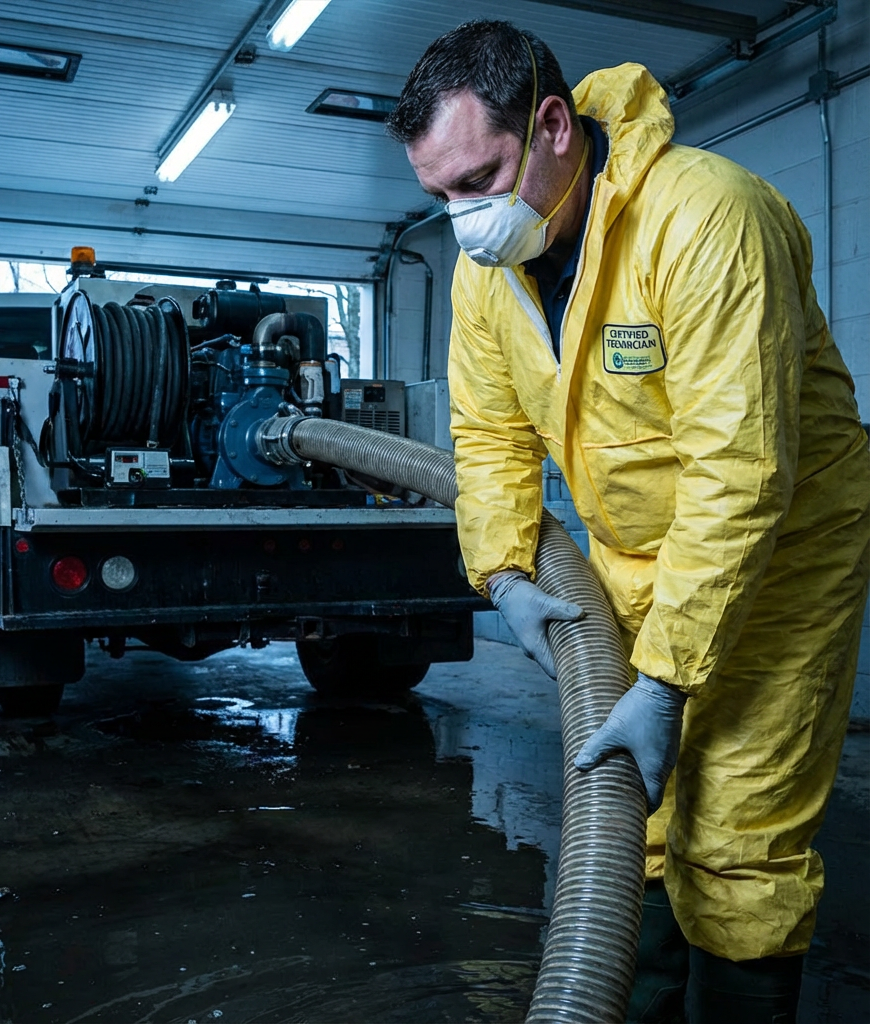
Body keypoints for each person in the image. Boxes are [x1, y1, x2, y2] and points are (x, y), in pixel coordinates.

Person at [385, 19, 869, 1024]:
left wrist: (668, 680)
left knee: (736, 833)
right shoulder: (490, 275)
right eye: (439, 198)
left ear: (553, 123)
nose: (464, 219)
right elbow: (487, 433)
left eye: (479, 178)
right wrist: (506, 571)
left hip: (779, 558)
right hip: (632, 559)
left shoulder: (707, 218)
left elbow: (739, 474)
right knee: (630, 812)